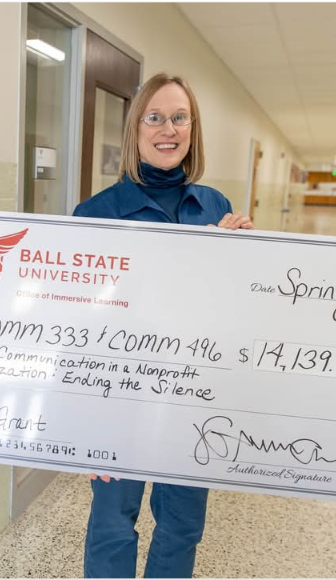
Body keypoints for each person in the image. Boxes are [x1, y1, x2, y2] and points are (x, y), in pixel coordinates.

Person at [73, 72, 254, 578]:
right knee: (113, 524)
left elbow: (228, 307)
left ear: (193, 130)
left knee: (182, 525)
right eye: (154, 118)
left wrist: (245, 255)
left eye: (180, 118)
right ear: (136, 129)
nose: (167, 129)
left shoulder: (214, 207)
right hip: (119, 400)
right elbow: (76, 325)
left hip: (192, 398)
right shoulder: (96, 214)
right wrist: (81, 424)